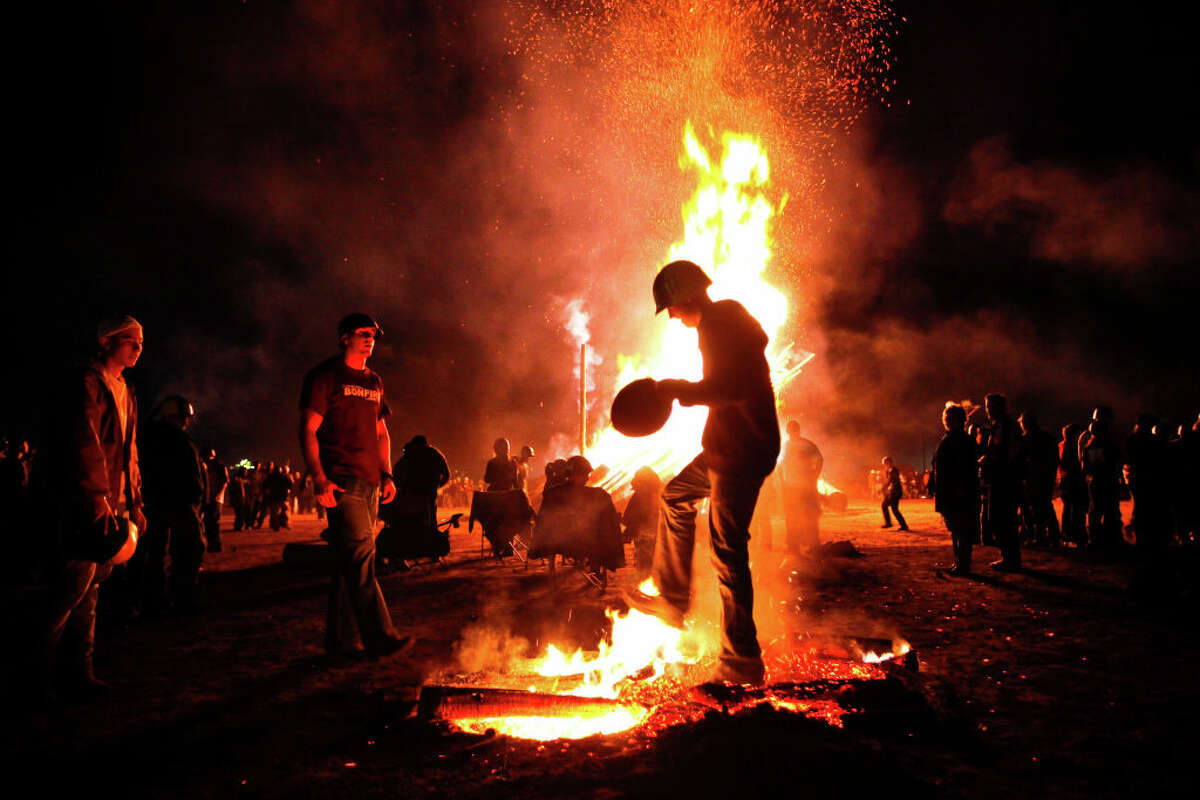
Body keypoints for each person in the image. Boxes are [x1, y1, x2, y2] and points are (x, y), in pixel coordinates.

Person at [625, 260, 779, 686]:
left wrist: (677, 389)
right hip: (724, 447)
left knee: (727, 550)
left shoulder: (722, 323)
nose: (671, 317)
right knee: (675, 496)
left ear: (685, 298)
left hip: (743, 451)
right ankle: (673, 598)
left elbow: (734, 388)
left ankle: (741, 660)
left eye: (670, 308)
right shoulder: (720, 322)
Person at [36, 314, 146, 700]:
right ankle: (38, 677)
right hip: (85, 502)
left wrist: (135, 501)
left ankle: (79, 673)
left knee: (93, 589)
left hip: (112, 503)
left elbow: (128, 451)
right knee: (69, 589)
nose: (138, 348)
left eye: (140, 342)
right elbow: (85, 441)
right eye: (131, 341)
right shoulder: (86, 382)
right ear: (107, 342)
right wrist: (96, 494)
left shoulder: (125, 389)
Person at [299, 313, 409, 658]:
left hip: (371, 481)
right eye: (363, 334)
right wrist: (319, 477)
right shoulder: (325, 376)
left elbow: (381, 432)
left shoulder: (374, 381)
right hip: (342, 480)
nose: (369, 340)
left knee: (352, 561)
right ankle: (381, 637)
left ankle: (341, 640)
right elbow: (309, 429)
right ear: (344, 337)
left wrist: (387, 473)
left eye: (373, 335)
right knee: (361, 558)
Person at [139, 395, 207, 615]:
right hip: (177, 503)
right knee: (188, 550)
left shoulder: (150, 438)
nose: (186, 421)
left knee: (156, 553)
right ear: (172, 415)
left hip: (157, 502)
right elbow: (188, 474)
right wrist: (194, 499)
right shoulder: (175, 441)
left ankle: (154, 600)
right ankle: (182, 598)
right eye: (183, 416)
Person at [931, 403, 978, 575]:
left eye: (951, 418)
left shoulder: (962, 441)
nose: (947, 421)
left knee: (962, 529)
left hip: (959, 493)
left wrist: (961, 490)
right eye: (946, 418)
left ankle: (963, 564)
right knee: (955, 529)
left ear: (960, 420)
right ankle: (959, 562)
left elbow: (964, 469)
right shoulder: (949, 438)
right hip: (949, 493)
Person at [1126, 414, 1170, 595]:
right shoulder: (1150, 442)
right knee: (1149, 520)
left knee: (1142, 515)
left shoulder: (1132, 440)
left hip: (1141, 483)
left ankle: (1144, 548)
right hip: (1150, 485)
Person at [980, 393, 1021, 570]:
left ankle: (1010, 559)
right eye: (987, 406)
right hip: (1000, 478)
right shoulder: (998, 426)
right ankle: (1008, 557)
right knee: (999, 519)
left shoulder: (1008, 426)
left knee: (1003, 519)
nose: (987, 410)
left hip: (1005, 480)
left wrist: (994, 464)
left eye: (990, 406)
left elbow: (1012, 453)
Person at [1079, 406, 1123, 552]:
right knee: (1110, 510)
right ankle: (1111, 539)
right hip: (1106, 480)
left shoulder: (1087, 443)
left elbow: (1084, 464)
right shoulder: (1110, 442)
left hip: (1094, 481)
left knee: (1095, 510)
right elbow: (1115, 462)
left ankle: (1095, 539)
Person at [1018, 411, 1060, 546]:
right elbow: (1054, 459)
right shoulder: (1047, 437)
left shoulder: (1026, 439)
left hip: (1032, 478)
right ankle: (1051, 536)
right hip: (1043, 478)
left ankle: (1037, 536)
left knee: (1034, 507)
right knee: (1045, 506)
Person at [780, 420, 823, 552]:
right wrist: (781, 479)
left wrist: (814, 476)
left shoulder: (807, 445)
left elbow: (819, 459)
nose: (791, 432)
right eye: (790, 430)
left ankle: (812, 545)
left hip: (805, 486)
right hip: (791, 486)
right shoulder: (786, 445)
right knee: (792, 516)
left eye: (793, 429)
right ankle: (793, 545)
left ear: (797, 430)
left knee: (808, 515)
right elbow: (781, 464)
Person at [392, 434, 450, 530]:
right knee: (430, 522)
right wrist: (437, 485)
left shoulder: (410, 453)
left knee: (411, 522)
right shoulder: (435, 454)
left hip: (411, 493)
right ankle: (431, 540)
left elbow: (396, 471)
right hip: (429, 493)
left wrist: (401, 487)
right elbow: (446, 474)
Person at [622, 466, 662, 579]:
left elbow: (633, 517)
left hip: (645, 536)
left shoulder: (640, 496)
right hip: (654, 535)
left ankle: (646, 583)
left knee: (645, 563)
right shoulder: (658, 495)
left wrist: (628, 533)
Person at [1058, 424, 1087, 546]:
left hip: (1064, 480)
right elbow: (1072, 464)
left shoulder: (1061, 445)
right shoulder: (1071, 447)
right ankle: (1076, 535)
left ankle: (1067, 534)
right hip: (1072, 480)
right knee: (1076, 508)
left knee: (1068, 507)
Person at [202, 448, 228, 552]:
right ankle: (211, 544)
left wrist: (218, 495)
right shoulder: (204, 466)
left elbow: (225, 482)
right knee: (207, 522)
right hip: (207, 497)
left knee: (214, 522)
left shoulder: (219, 466)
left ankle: (216, 545)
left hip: (216, 498)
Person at [880, 457, 907, 531]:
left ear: (888, 463)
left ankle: (901, 525)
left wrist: (885, 487)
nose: (884, 465)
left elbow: (892, 481)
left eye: (885, 464)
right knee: (888, 507)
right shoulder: (890, 470)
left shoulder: (893, 471)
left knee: (892, 508)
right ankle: (899, 524)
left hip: (896, 492)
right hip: (894, 491)